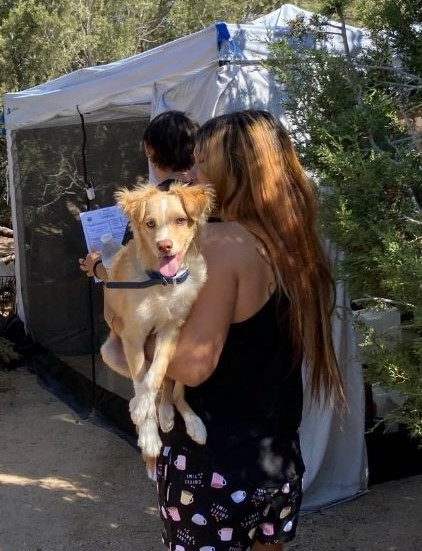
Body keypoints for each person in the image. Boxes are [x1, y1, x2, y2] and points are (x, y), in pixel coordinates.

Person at [152, 110, 345, 550]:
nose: (191, 173)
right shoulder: (292, 241)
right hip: (276, 458)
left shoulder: (221, 246)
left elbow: (192, 366)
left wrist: (133, 328)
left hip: (213, 462)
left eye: (201, 163)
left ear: (229, 173)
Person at [80, 110, 200, 279]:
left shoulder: (149, 206)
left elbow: (130, 277)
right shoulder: (208, 199)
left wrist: (96, 266)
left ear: (148, 149)